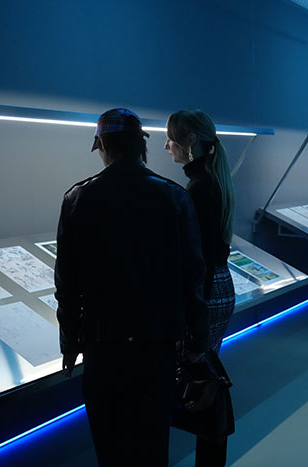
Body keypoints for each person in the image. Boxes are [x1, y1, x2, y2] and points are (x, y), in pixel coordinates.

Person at [55, 108, 209, 467]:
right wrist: (198, 340)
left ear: (103, 145)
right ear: (141, 146)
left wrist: (70, 341)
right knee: (153, 445)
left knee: (109, 447)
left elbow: (67, 283)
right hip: (157, 347)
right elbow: (192, 276)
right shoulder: (174, 197)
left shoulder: (78, 198)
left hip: (103, 348)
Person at [165, 109, 235, 466]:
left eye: (171, 138)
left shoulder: (198, 187)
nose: (167, 146)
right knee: (205, 374)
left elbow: (197, 261)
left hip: (207, 291)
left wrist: (195, 321)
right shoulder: (211, 179)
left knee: (203, 380)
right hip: (218, 286)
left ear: (190, 140)